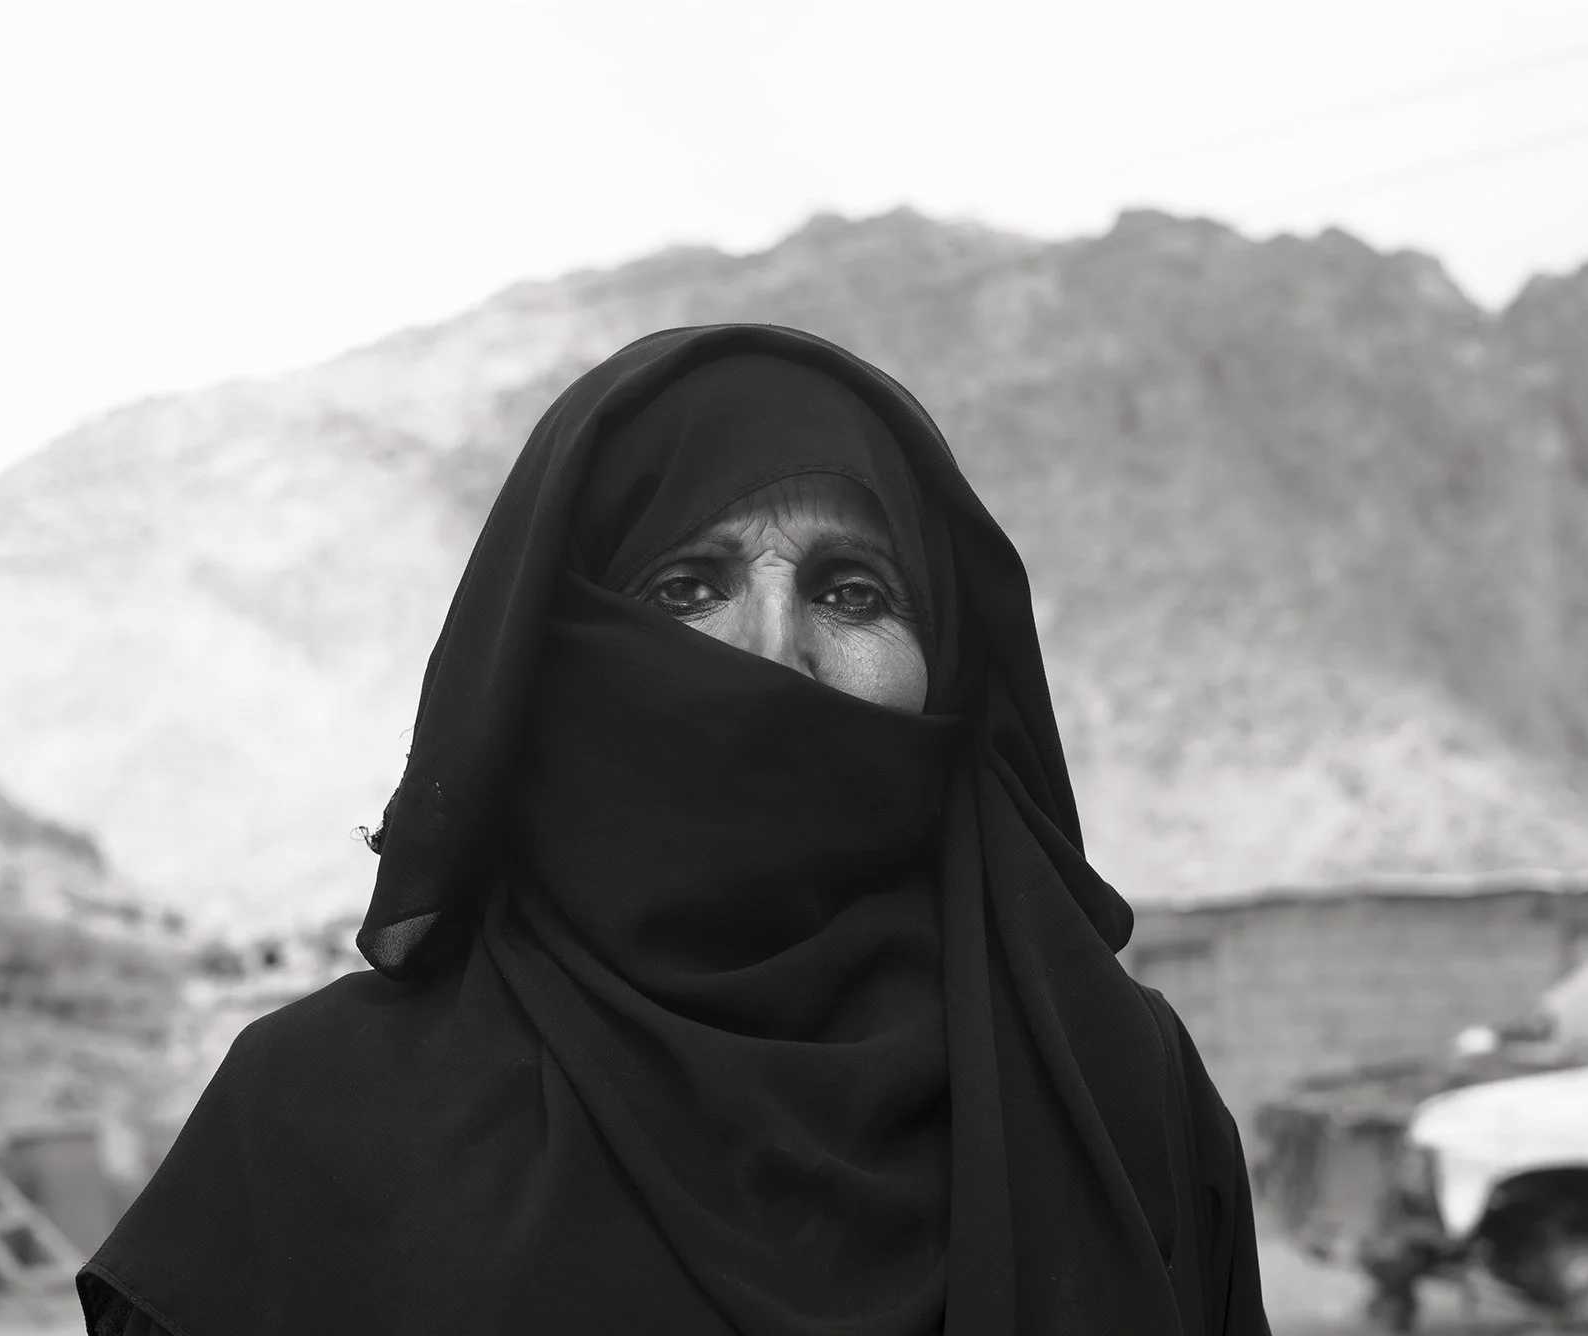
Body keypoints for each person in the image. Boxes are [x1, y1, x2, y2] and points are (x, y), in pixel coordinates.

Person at [77, 324, 1272, 1335]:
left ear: (950, 673)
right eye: (684, 588)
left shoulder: (1121, 1091)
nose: (773, 650)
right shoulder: (311, 1125)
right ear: (553, 662)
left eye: (851, 592)